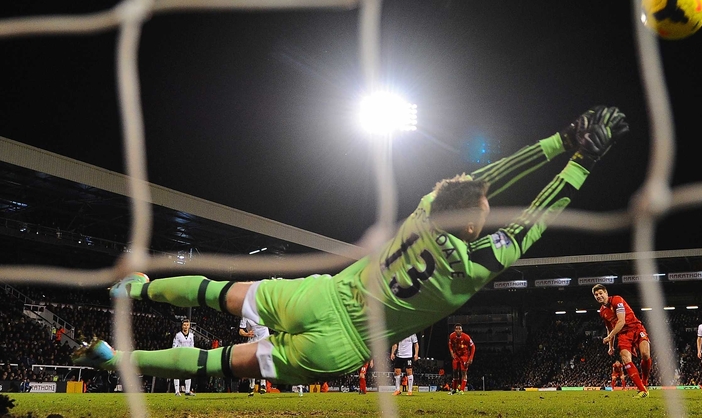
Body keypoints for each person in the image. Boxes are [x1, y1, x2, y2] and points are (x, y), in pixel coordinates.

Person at [72, 106, 630, 385]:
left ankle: (141, 286)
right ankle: (117, 361)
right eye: (483, 216)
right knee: (218, 360)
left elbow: (479, 182)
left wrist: (558, 138)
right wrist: (582, 160)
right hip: (337, 349)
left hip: (316, 297)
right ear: (470, 225)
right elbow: (535, 217)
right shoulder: (477, 263)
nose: (486, 215)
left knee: (219, 293)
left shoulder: (421, 213)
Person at [592, 284, 651, 398]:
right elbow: (609, 328)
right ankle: (642, 390)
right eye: (596, 295)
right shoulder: (602, 312)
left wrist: (610, 336)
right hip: (623, 335)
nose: (599, 296)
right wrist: (610, 346)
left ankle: (645, 381)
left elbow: (621, 321)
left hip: (636, 328)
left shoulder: (617, 300)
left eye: (600, 293)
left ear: (606, 293)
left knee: (645, 354)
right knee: (625, 358)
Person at [239, 317, 270, 396]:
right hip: (252, 340)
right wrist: (246, 334)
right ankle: (251, 385)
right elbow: (240, 331)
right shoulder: (245, 315)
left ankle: (263, 384)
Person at [448, 324, 475, 394]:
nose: (458, 330)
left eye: (459, 329)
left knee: (463, 372)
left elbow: (473, 347)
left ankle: (462, 390)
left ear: (462, 330)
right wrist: (451, 353)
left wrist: (471, 358)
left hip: (464, 356)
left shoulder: (466, 337)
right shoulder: (452, 336)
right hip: (456, 356)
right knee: (455, 371)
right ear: (454, 330)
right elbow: (450, 344)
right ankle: (454, 389)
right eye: (456, 329)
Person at [172, 319, 196, 397]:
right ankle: (177, 391)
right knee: (177, 373)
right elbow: (174, 346)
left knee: (188, 373)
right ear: (182, 326)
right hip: (179, 357)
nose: (186, 326)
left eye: (187, 325)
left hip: (187, 357)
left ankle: (187, 390)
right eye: (184, 325)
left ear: (189, 326)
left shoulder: (191, 335)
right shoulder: (178, 335)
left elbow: (192, 346)